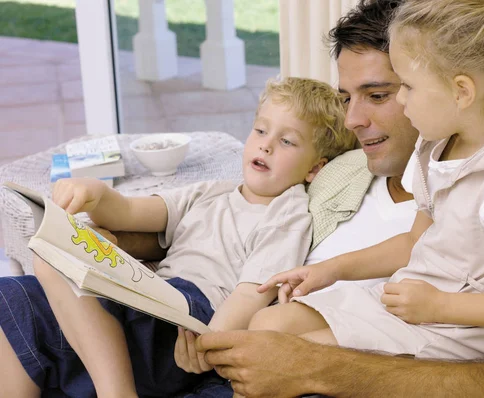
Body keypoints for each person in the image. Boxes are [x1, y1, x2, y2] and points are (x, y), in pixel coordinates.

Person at [186, 1, 484, 397]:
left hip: (441, 331)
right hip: (398, 301)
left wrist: (438, 306)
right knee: (265, 325)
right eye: (347, 98)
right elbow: (413, 242)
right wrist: (327, 270)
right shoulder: (394, 159)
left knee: (274, 359)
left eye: (388, 92)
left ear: (461, 91)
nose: (351, 120)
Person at [0, 77, 356, 397]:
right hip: (148, 297)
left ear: (314, 168)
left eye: (287, 141)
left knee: (54, 265)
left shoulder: (286, 213)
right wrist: (94, 194)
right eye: (260, 131)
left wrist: (209, 343)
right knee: (21, 299)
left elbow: (252, 292)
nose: (266, 146)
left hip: (187, 320)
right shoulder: (213, 192)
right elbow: (128, 213)